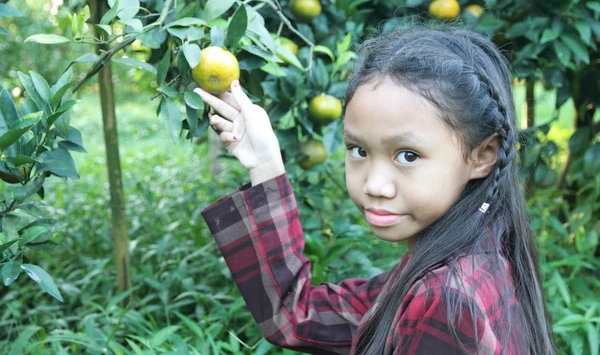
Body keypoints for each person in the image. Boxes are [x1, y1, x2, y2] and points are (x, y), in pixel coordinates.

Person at [195, 25, 556, 355]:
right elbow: (297, 313)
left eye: (408, 155)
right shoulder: (473, 255)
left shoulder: (444, 297)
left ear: (482, 156)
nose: (374, 185)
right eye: (358, 150)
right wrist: (264, 163)